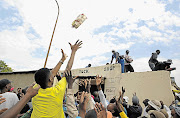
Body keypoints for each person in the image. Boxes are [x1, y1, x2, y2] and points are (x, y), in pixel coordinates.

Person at [31, 40, 82, 118]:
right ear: (51, 80)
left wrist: (62, 60)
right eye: (52, 75)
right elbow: (68, 69)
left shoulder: (34, 90)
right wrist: (73, 51)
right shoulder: (57, 91)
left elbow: (50, 75)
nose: (53, 74)